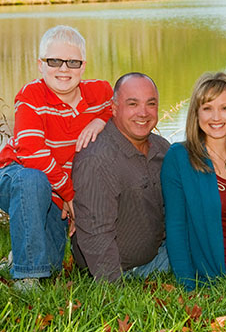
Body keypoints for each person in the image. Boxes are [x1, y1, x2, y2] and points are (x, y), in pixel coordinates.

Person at [0, 25, 113, 290]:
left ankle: (18, 258)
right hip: (14, 177)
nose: (64, 69)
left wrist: (101, 121)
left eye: (72, 62)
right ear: (40, 65)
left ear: (83, 66)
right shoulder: (31, 96)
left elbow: (126, 110)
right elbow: (33, 155)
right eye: (54, 61)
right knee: (34, 180)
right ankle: (27, 278)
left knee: (53, 264)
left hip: (55, 191)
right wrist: (69, 195)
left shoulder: (100, 93)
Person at [161, 72, 226, 290]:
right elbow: (176, 227)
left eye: (225, 108)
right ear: (196, 114)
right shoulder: (180, 158)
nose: (216, 117)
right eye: (207, 108)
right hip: (214, 275)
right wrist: (188, 286)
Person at [71, 73, 170, 283]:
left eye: (150, 104)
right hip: (122, 270)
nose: (143, 113)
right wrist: (113, 290)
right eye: (132, 104)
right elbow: (95, 233)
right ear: (114, 108)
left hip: (160, 253)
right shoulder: (98, 158)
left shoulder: (163, 149)